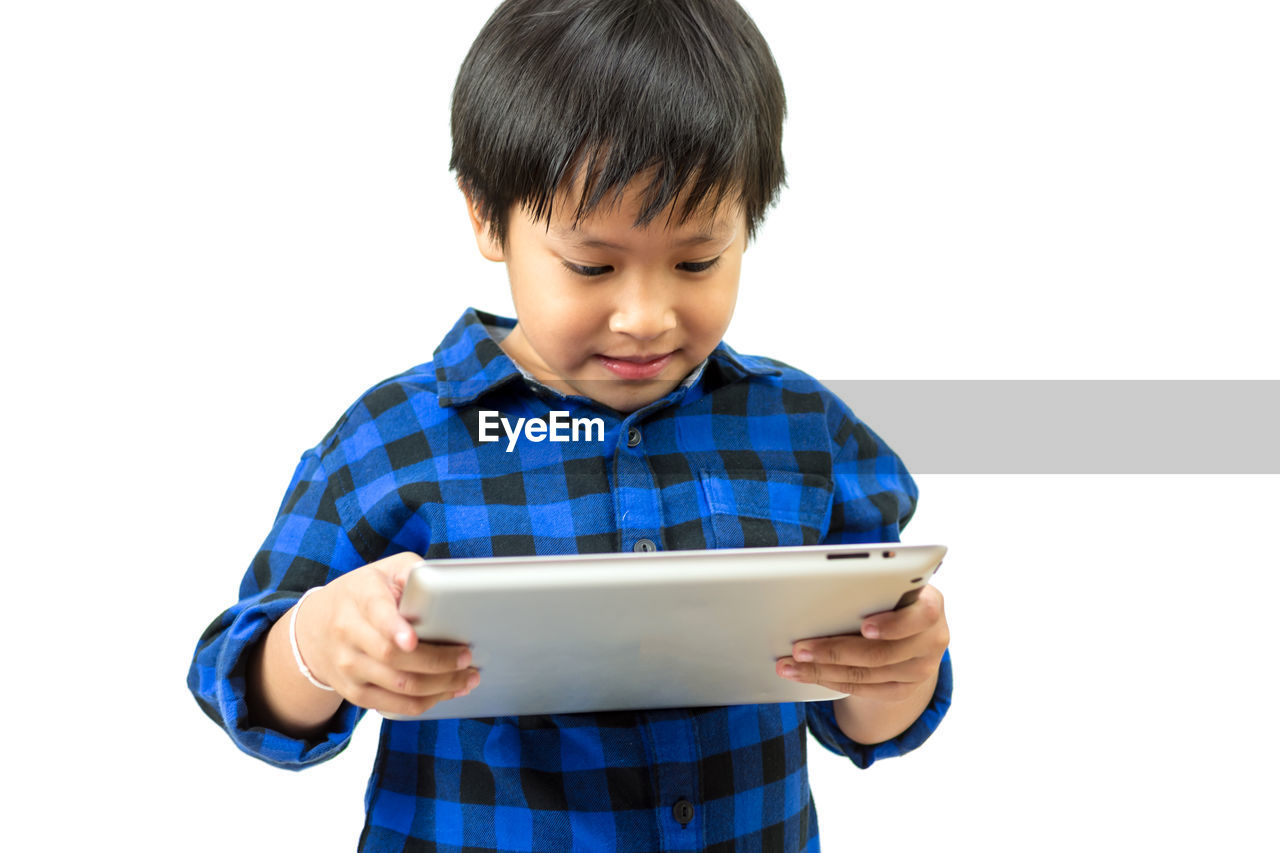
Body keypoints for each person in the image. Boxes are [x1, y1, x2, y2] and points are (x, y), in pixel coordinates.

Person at [188, 0, 952, 849]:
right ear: (486, 215)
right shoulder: (395, 437)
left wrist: (900, 669)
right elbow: (238, 672)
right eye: (592, 265)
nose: (645, 315)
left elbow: (868, 718)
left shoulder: (805, 433)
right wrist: (321, 645)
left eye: (697, 261)